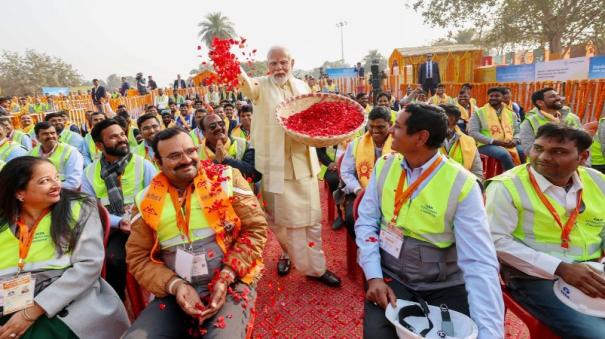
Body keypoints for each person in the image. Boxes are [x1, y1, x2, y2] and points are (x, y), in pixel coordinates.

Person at [356, 103, 503, 338]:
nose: (391, 131)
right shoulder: (385, 165)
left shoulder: (462, 184)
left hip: (444, 285)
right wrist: (373, 277)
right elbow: (366, 222)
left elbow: (479, 262)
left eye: (398, 126)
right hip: (391, 278)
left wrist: (490, 334)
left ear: (421, 138)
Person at [123, 128, 267, 338]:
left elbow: (256, 229)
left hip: (231, 282)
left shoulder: (227, 178)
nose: (187, 160)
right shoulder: (146, 201)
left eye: (190, 151)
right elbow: (138, 258)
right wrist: (176, 285)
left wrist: (226, 276)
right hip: (175, 291)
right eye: (174, 156)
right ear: (157, 161)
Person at [486, 123, 605, 338]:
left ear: (582, 157)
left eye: (558, 152)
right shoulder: (507, 185)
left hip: (592, 269)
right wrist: (561, 268)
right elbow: (496, 240)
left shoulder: (598, 180)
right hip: (534, 277)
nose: (543, 157)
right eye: (538, 148)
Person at [238, 46, 341, 286]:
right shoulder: (260, 87)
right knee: (282, 222)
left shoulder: (304, 88)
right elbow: (245, 85)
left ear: (292, 63)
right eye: (273, 63)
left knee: (312, 221)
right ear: (267, 66)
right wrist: (232, 67)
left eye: (283, 62)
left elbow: (314, 120)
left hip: (304, 165)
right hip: (275, 167)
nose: (279, 68)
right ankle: (287, 254)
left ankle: (316, 268)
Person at [0, 156, 129, 339]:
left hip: (65, 300)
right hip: (10, 299)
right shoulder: (4, 220)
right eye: (45, 181)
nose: (56, 185)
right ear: (19, 193)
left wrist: (30, 312)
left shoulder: (79, 207)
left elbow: (88, 266)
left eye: (56, 177)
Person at [82, 118, 156, 300]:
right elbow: (89, 208)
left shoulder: (143, 164)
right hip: (113, 228)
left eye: (122, 134)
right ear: (100, 145)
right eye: (114, 137)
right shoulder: (89, 173)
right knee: (112, 260)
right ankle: (117, 305)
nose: (122, 139)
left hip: (145, 224)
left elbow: (157, 198)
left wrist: (136, 220)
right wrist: (119, 221)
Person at [340, 106, 393, 237]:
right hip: (361, 191)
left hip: (392, 194)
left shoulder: (399, 144)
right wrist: (357, 189)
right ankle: (362, 248)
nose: (375, 131)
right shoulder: (356, 144)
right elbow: (346, 171)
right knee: (351, 219)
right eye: (371, 126)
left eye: (380, 127)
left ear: (390, 125)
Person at [469, 87, 524, 171]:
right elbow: (473, 132)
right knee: (504, 154)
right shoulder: (479, 112)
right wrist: (494, 141)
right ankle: (511, 178)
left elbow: (517, 130)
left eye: (497, 96)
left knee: (523, 151)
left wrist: (515, 140)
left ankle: (524, 173)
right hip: (486, 144)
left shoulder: (511, 113)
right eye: (491, 96)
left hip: (509, 142)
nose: (493, 98)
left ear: (503, 97)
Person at [520, 88, 583, 155]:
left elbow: (583, 144)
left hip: (571, 163)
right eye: (552, 96)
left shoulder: (573, 118)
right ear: (540, 103)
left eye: (558, 95)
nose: (558, 98)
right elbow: (528, 149)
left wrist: (586, 164)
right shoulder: (529, 122)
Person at [199, 113, 260, 182]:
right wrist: (215, 162)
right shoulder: (196, 152)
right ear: (204, 133)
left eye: (221, 124)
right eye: (212, 126)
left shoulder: (244, 144)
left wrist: (226, 159)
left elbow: (255, 174)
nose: (218, 128)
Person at [29, 122, 84, 190]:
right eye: (45, 134)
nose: (50, 136)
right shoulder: (31, 153)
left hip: (65, 195)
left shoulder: (71, 152)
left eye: (53, 133)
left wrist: (47, 189)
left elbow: (74, 183)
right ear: (37, 137)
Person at [439, 104, 484, 180]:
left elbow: (477, 172)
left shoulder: (469, 141)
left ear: (455, 120)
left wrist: (475, 186)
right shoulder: (426, 139)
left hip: (462, 184)